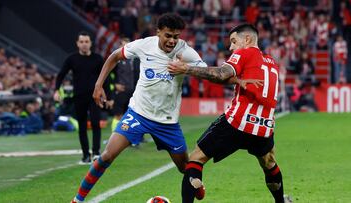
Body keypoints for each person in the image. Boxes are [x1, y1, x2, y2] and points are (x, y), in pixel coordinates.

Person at [70, 14, 253, 203]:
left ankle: (198, 187)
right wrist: (99, 85)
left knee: (186, 167)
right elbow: (115, 56)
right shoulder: (143, 45)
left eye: (176, 36)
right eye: (168, 35)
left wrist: (189, 69)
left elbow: (210, 74)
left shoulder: (186, 52)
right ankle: (77, 200)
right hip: (138, 114)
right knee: (107, 155)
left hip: (167, 123)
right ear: (158, 32)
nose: (172, 41)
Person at [167, 24, 292, 203]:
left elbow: (221, 74)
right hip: (263, 127)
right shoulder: (271, 63)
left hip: (237, 122)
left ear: (247, 40)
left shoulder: (245, 53)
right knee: (269, 163)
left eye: (234, 41)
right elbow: (236, 82)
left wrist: (186, 69)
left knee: (196, 158)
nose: (231, 47)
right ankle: (281, 201)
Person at [54, 31, 112, 164]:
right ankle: (86, 155)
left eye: (86, 42)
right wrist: (57, 90)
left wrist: (108, 96)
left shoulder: (97, 58)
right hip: (79, 97)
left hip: (95, 97)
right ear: (77, 43)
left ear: (90, 43)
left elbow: (106, 78)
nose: (84, 44)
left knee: (96, 124)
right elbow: (61, 75)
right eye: (81, 42)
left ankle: (96, 153)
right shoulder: (71, 59)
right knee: (82, 126)